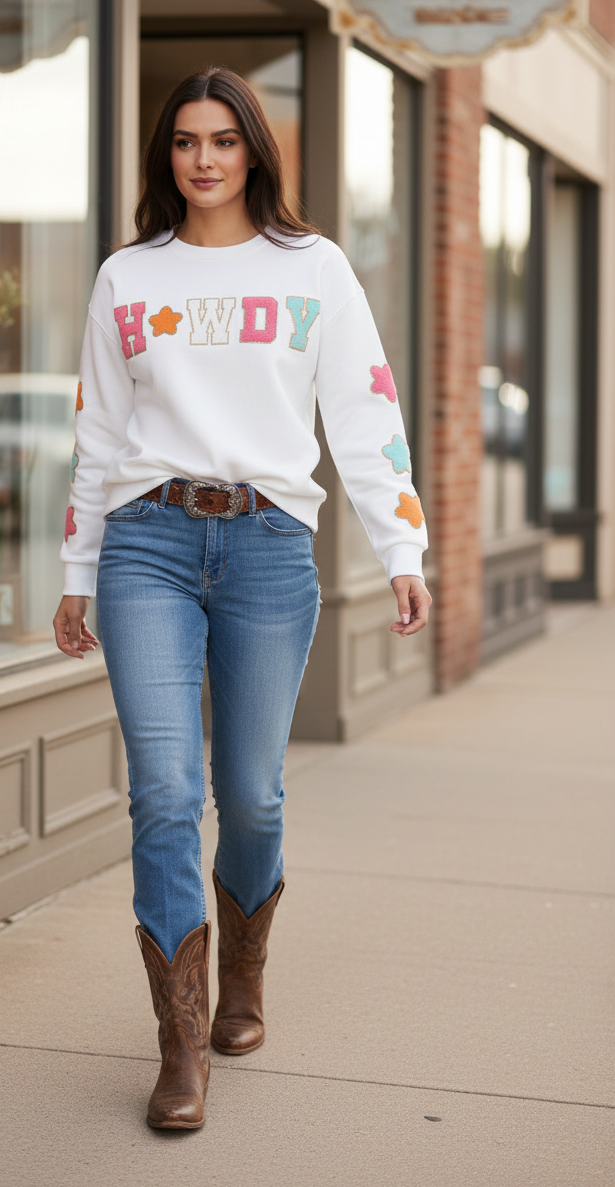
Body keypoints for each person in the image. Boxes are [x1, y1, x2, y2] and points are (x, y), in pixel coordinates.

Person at [53, 66, 431, 1131]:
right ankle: (180, 1048)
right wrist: (79, 570)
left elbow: (364, 416)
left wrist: (402, 546)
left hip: (267, 547)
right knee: (167, 793)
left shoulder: (313, 269)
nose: (204, 159)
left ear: (254, 151)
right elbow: (96, 439)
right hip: (148, 546)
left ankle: (246, 975)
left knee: (252, 795)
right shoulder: (129, 276)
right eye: (185, 141)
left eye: (223, 139)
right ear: (164, 156)